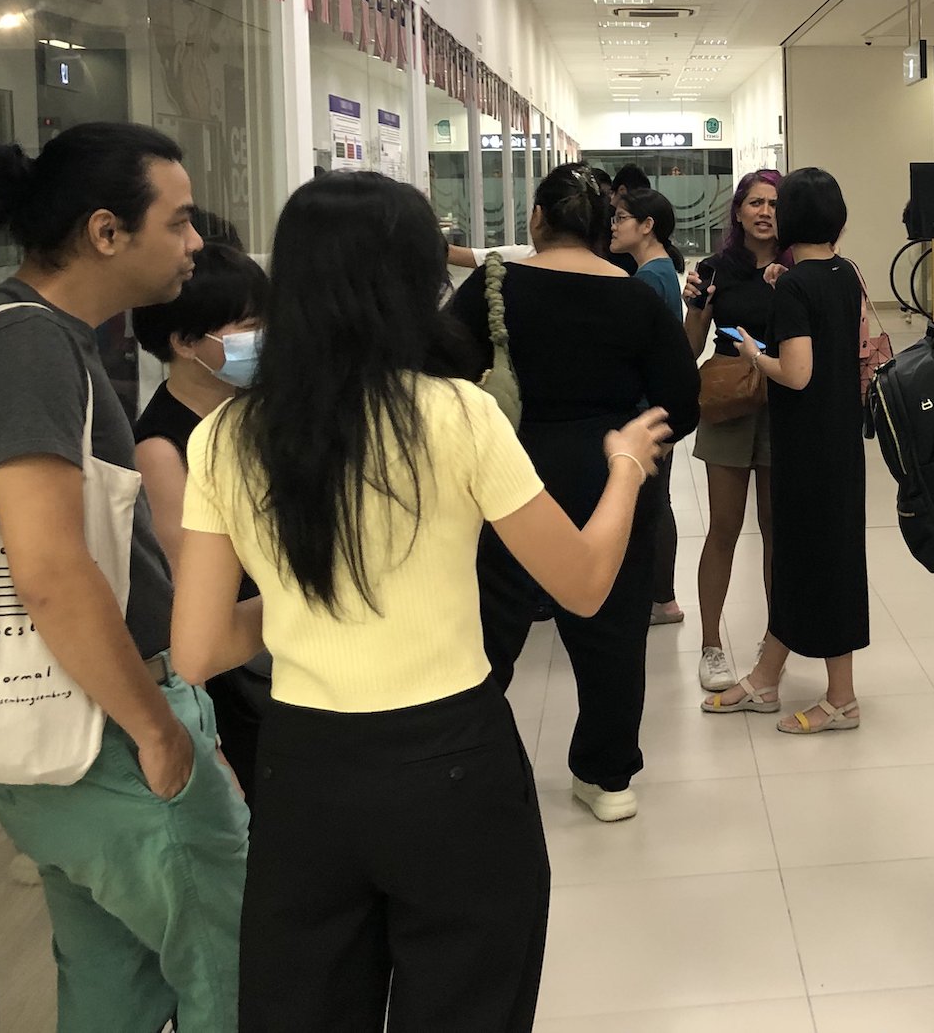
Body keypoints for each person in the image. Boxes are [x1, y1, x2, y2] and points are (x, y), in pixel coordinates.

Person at [171, 171, 671, 1032]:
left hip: (302, 775)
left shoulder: (225, 436)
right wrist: (624, 466)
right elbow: (584, 583)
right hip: (451, 765)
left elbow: (199, 650)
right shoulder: (458, 416)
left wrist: (298, 602)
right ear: (411, 285)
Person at [0, 123, 244, 1031]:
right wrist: (156, 728)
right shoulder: (27, 345)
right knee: (237, 969)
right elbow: (52, 568)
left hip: (73, 727)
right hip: (106, 725)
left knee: (114, 988)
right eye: (178, 225)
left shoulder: (54, 338)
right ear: (107, 232)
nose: (194, 246)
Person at [448, 164, 700, 822]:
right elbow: (682, 401)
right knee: (614, 627)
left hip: (509, 468)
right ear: (603, 228)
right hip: (611, 469)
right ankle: (607, 777)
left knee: (490, 624)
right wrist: (637, 442)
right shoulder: (639, 297)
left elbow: (438, 370)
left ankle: (462, 766)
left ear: (536, 217)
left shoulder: (494, 285)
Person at [701, 168, 869, 732]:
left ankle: (841, 698)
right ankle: (767, 677)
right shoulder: (845, 274)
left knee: (815, 561)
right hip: (838, 439)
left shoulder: (797, 284)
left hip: (806, 443)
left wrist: (752, 352)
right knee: (806, 558)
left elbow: (795, 374)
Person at [132, 243, 272, 800]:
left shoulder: (254, 410)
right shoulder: (162, 447)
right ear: (186, 343)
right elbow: (193, 583)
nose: (264, 341)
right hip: (240, 667)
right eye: (249, 327)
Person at [683, 169, 784, 693]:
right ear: (738, 211)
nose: (765, 212)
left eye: (774, 203)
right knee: (723, 526)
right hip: (726, 400)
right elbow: (691, 344)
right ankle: (711, 644)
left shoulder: (796, 269)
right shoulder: (716, 268)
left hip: (781, 401)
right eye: (755, 203)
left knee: (774, 528)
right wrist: (696, 303)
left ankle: (775, 639)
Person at [610, 185, 688, 625]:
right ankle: (662, 597)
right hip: (654, 405)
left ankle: (662, 599)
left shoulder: (650, 279)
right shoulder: (654, 274)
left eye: (621, 218)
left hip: (648, 409)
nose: (614, 226)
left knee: (652, 504)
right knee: (657, 501)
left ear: (647, 226)